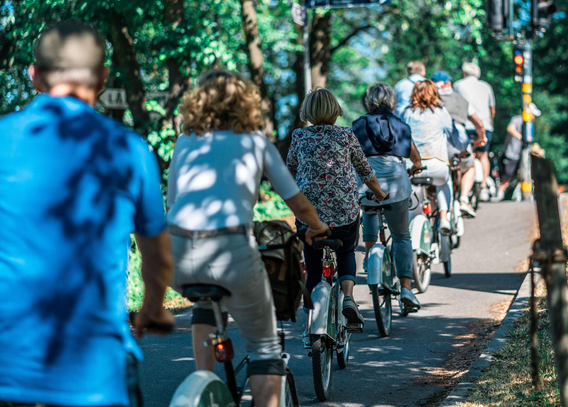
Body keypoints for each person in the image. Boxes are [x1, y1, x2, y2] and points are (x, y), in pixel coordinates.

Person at [0, 20, 174, 407]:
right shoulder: (127, 149)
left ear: (34, 76)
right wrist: (152, 309)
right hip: (91, 372)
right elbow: (157, 256)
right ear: (103, 77)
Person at [167, 70, 329, 407]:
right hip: (230, 248)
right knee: (265, 348)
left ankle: (204, 381)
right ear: (246, 103)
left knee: (204, 306)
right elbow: (295, 200)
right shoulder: (255, 142)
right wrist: (316, 227)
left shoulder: (185, 140)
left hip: (178, 250)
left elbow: (173, 201)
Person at [287, 88, 388, 332]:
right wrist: (379, 193)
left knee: (312, 264)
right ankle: (349, 298)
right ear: (335, 111)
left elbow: (289, 170)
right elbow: (365, 171)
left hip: (309, 216)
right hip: (344, 215)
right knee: (345, 252)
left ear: (308, 112)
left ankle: (311, 314)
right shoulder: (345, 135)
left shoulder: (299, 136)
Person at [352, 82, 425, 309]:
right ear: (392, 100)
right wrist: (417, 165)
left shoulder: (358, 124)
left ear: (368, 100)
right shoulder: (400, 124)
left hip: (367, 185)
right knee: (402, 236)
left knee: (370, 210)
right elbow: (414, 154)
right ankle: (406, 289)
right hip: (396, 186)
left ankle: (369, 256)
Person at [431, 71, 487, 217]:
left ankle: (436, 208)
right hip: (458, 142)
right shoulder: (461, 99)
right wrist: (481, 138)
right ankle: (463, 199)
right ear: (448, 83)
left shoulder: (430, 99)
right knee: (470, 166)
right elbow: (479, 124)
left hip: (436, 143)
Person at [402, 80, 454, 235]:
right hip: (436, 164)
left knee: (414, 207)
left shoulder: (407, 112)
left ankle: (413, 230)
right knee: (445, 180)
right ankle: (444, 217)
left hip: (412, 167)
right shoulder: (441, 111)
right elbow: (454, 135)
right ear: (434, 93)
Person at [453, 61, 496, 201]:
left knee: (463, 155)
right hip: (484, 125)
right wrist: (489, 123)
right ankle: (483, 187)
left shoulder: (458, 85)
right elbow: (492, 109)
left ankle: (460, 187)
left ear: (464, 73)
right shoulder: (486, 87)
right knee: (483, 155)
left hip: (465, 126)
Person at [494, 103, 542, 201]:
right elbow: (510, 128)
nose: (534, 117)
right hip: (511, 154)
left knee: (523, 174)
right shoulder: (517, 119)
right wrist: (520, 137)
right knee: (507, 178)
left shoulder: (530, 125)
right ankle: (499, 194)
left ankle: (519, 195)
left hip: (521, 155)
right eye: (533, 115)